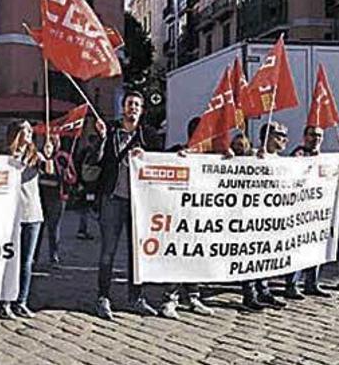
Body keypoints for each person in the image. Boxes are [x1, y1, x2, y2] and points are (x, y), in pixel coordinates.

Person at [92, 91, 157, 320]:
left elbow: (161, 160)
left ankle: (136, 297)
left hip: (138, 203)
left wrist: (146, 155)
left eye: (138, 105)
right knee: (108, 252)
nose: (133, 108)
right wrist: (100, 138)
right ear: (123, 107)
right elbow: (95, 160)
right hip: (112, 198)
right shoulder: (109, 131)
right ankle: (103, 297)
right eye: (130, 104)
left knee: (137, 253)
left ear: (142, 109)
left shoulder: (148, 135)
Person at [159, 117, 214, 319]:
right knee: (178, 257)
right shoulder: (177, 151)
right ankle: (169, 299)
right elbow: (155, 164)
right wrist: (176, 158)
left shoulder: (212, 158)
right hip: (179, 219)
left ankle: (193, 296)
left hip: (200, 218)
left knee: (195, 257)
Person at [0, 120, 51, 320]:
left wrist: (49, 155)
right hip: (11, 214)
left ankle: (22, 301)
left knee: (27, 261)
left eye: (30, 131)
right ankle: (5, 301)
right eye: (25, 130)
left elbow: (51, 171)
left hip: (32, 213)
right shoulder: (4, 156)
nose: (29, 134)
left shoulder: (34, 155)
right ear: (16, 133)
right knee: (9, 260)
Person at [239, 122, 290, 311]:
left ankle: (264, 290)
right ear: (268, 137)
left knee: (265, 254)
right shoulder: (252, 155)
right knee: (251, 254)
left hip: (270, 217)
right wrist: (253, 161)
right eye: (280, 136)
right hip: (252, 216)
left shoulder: (280, 159)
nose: (284, 140)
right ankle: (249, 293)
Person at [283, 126, 330, 298]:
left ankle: (312, 282)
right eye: (312, 135)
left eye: (319, 135)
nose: (315, 139)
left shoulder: (323, 157)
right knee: (297, 247)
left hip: (316, 211)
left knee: (315, 246)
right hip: (299, 211)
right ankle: (292, 284)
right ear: (304, 137)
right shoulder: (299, 154)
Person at [36, 134, 76, 268]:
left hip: (57, 198)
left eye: (50, 144)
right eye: (46, 145)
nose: (47, 148)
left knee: (53, 228)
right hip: (41, 196)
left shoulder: (63, 157)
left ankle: (53, 256)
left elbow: (72, 178)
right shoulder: (38, 157)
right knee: (38, 228)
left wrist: (58, 169)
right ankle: (34, 256)